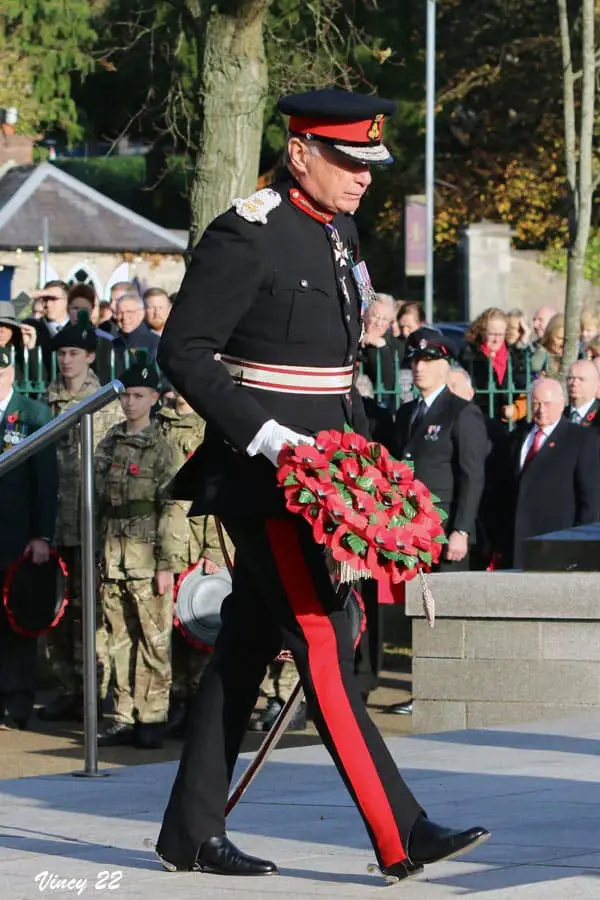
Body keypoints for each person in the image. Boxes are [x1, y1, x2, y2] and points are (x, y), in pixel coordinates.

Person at [154, 89, 488, 883]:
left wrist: (368, 474)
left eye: (369, 163)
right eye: (346, 160)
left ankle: (190, 833)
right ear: (298, 150)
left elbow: (335, 376)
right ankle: (400, 833)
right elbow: (185, 353)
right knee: (324, 650)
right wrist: (269, 440)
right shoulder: (246, 233)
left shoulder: (337, 230)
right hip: (268, 483)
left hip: (331, 479)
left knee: (245, 650)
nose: (363, 177)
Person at [37, 314, 123, 722]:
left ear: (90, 356)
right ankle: (67, 687)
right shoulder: (45, 401)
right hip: (56, 520)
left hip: (93, 520)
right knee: (59, 610)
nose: (66, 361)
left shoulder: (106, 400)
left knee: (94, 611)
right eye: (61, 353)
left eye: (74, 353)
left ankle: (97, 688)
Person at [94, 361, 180, 749]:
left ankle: (153, 716)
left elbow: (173, 508)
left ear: (154, 400)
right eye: (126, 395)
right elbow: (94, 501)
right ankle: (122, 714)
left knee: (153, 639)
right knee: (117, 638)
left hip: (146, 554)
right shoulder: (109, 442)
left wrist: (167, 564)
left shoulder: (162, 447)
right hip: (112, 554)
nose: (130, 403)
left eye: (138, 396)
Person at [156, 389, 233, 738]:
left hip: (201, 543)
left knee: (202, 630)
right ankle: (177, 702)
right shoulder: (157, 427)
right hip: (162, 546)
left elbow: (219, 492)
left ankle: (201, 710)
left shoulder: (212, 427)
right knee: (167, 634)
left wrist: (215, 550)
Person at [391, 329, 488, 574]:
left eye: (427, 361)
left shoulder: (461, 412)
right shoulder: (407, 413)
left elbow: (472, 475)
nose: (419, 368)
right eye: (415, 361)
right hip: (409, 528)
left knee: (446, 607)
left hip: (444, 530)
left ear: (444, 368)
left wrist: (462, 529)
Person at [0, 347, 58, 729]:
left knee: (16, 619)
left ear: (9, 370)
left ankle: (18, 701)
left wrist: (41, 534)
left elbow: (45, 481)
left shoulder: (34, 414)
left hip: (16, 536)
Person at [486, 378, 600, 569]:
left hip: (557, 543)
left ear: (561, 403)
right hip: (515, 544)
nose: (541, 410)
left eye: (547, 404)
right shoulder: (516, 438)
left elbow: (590, 498)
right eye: (536, 404)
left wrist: (580, 544)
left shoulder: (581, 439)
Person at [460, 307, 528, 426]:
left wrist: (515, 409)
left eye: (500, 334)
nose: (496, 339)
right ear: (481, 331)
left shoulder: (515, 356)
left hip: (511, 425)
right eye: (492, 334)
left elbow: (525, 387)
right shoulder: (468, 356)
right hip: (478, 423)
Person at [358, 293, 404, 408]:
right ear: (365, 315)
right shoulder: (353, 340)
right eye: (375, 316)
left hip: (382, 407)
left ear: (389, 323)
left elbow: (387, 383)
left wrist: (380, 346)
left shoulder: (396, 345)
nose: (378, 323)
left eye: (384, 319)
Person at [564, 360, 600, 429]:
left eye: (581, 379)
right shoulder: (559, 415)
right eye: (571, 378)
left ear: (596, 384)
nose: (574, 383)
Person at [531, 313, 564, 377]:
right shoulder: (541, 352)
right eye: (559, 338)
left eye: (565, 339)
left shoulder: (575, 354)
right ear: (549, 335)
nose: (563, 343)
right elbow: (534, 367)